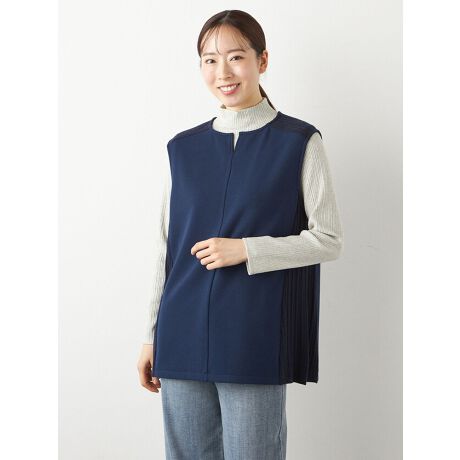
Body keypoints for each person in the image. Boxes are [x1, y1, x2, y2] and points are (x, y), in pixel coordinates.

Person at [137, 9, 344, 460]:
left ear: (262, 60)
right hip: (181, 331)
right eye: (210, 61)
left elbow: (328, 238)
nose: (223, 72)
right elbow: (166, 248)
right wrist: (152, 335)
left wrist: (247, 250)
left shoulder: (299, 142)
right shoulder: (182, 148)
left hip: (255, 334)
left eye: (235, 57)